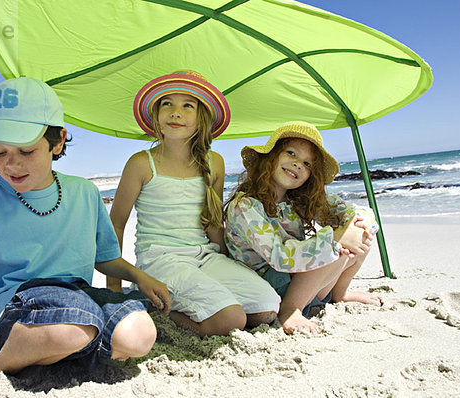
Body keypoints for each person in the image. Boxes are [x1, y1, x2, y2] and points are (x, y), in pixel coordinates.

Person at [0, 77, 171, 397]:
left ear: (57, 142)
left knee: (139, 335)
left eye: (26, 150)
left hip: (79, 299)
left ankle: (70, 347)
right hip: (15, 309)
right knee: (73, 328)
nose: (11, 164)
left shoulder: (85, 193)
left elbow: (105, 258)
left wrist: (141, 277)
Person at [106, 70, 280, 337]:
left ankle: (194, 299)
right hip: (161, 259)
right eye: (168, 104)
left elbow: (212, 223)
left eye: (188, 106)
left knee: (267, 308)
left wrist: (226, 266)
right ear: (156, 116)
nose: (176, 112)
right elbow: (116, 224)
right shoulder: (141, 163)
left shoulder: (215, 162)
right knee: (231, 319)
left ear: (201, 119)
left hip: (205, 256)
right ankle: (154, 306)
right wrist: (114, 288)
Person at [224, 121, 381, 335]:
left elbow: (354, 210)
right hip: (269, 283)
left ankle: (339, 293)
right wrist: (334, 240)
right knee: (336, 244)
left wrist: (359, 224)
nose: (298, 164)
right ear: (270, 157)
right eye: (291, 153)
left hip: (307, 285)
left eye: (307, 164)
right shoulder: (245, 206)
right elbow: (279, 257)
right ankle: (290, 310)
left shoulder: (298, 200)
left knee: (357, 233)